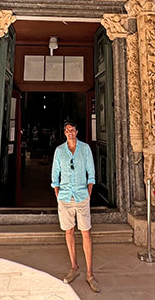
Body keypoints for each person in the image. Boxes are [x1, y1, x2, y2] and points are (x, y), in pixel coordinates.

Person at [51, 120, 100, 293]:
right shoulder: (59, 151)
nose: (70, 133)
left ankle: (90, 274)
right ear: (64, 133)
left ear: (77, 131)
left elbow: (91, 172)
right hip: (65, 197)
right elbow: (55, 174)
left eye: (72, 130)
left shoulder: (85, 149)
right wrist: (57, 193)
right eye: (67, 130)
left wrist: (88, 192)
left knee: (86, 232)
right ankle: (74, 267)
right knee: (69, 231)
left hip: (81, 196)